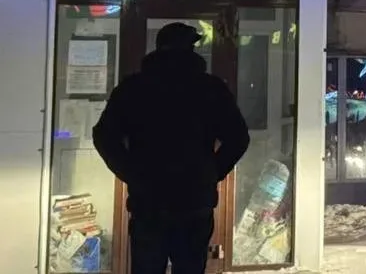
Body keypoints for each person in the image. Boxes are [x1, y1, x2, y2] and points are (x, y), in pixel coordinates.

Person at [93, 22, 250, 274]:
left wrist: (132, 173)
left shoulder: (134, 87)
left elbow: (104, 136)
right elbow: (238, 138)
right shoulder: (210, 88)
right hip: (194, 202)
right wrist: (211, 173)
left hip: (149, 202)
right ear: (190, 49)